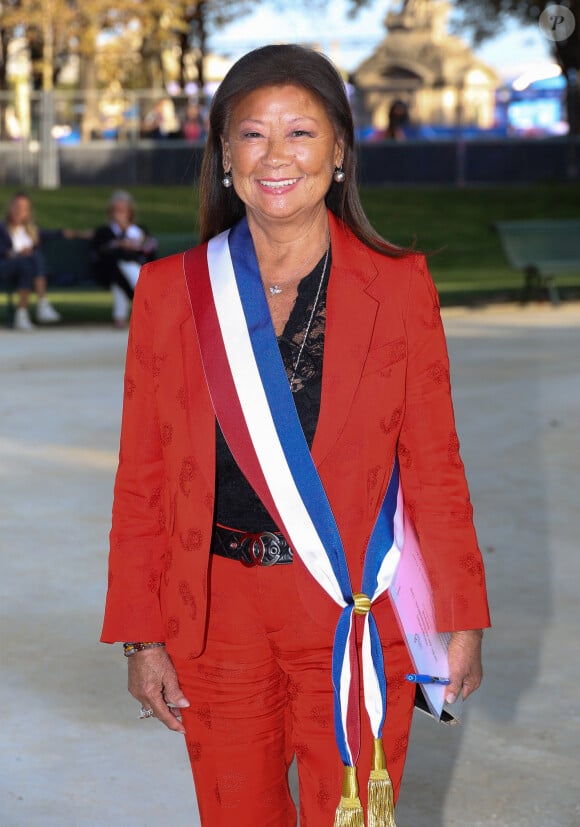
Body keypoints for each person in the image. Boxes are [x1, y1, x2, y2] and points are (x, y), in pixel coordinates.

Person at [101, 45, 490, 827]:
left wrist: (461, 615)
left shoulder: (400, 285)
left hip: (354, 612)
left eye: (301, 133)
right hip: (216, 619)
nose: (276, 156)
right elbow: (143, 476)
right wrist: (140, 634)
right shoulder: (172, 293)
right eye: (252, 135)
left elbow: (435, 467)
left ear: (340, 150)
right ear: (222, 155)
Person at [90, 191, 157, 328]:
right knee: (121, 266)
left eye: (121, 210)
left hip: (135, 269)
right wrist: (120, 244)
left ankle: (120, 318)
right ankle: (144, 302)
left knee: (122, 276)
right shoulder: (103, 231)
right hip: (110, 271)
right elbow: (101, 251)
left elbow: (150, 248)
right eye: (114, 210)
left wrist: (129, 233)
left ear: (129, 212)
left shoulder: (139, 230)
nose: (117, 214)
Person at [0, 192, 66, 330]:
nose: (19, 211)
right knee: (32, 257)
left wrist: (83, 234)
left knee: (30, 261)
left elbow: (56, 233)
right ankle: (41, 305)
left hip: (25, 270)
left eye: (24, 208)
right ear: (10, 208)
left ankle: (23, 314)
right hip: (5, 267)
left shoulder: (31, 231)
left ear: (28, 212)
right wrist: (15, 253)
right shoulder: (2, 228)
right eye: (17, 206)